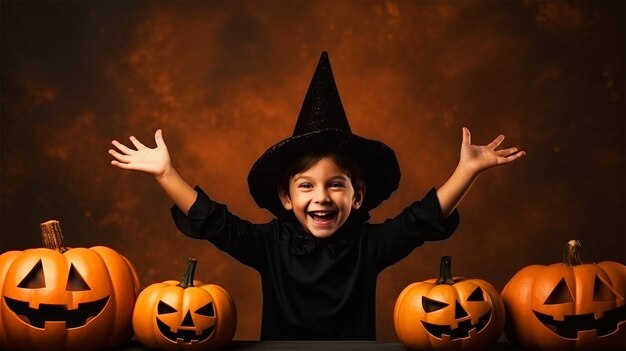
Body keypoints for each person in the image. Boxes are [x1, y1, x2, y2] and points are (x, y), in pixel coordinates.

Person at [109, 52, 525, 340]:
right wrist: (166, 173)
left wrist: (466, 171)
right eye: (306, 186)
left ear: (357, 196)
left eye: (336, 185)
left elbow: (420, 220)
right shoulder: (269, 245)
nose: (321, 197)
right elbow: (216, 222)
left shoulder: (369, 246)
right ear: (286, 198)